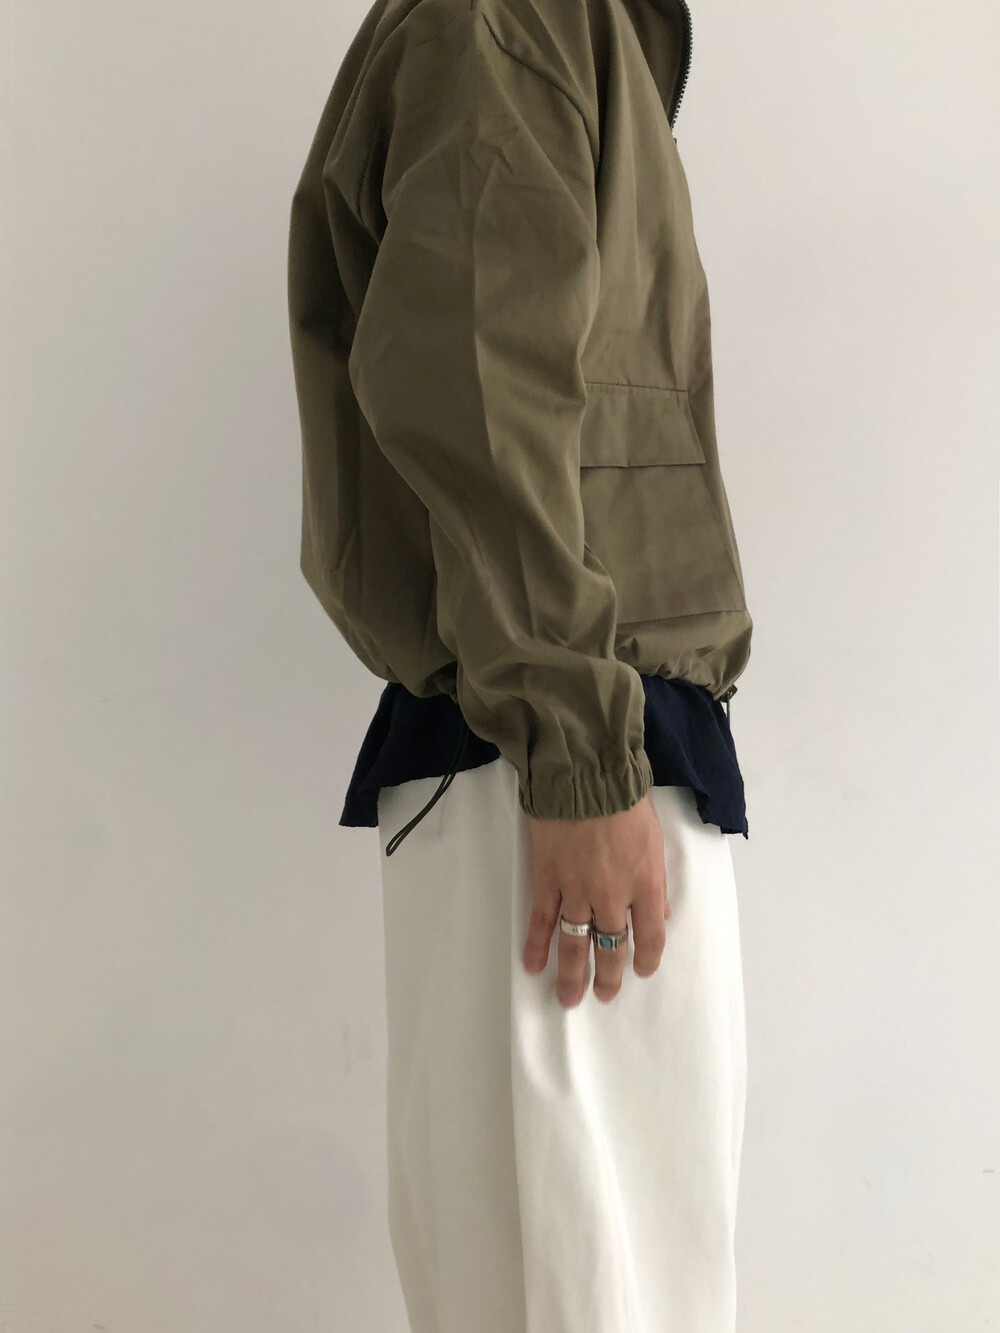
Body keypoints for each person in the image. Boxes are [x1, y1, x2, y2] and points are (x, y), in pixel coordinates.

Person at [287, 0, 753, 1328]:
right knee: (596, 1284)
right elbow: (478, 379)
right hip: (558, 749)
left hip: (568, 733)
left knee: (588, 1275)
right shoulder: (506, 17)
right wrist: (577, 749)